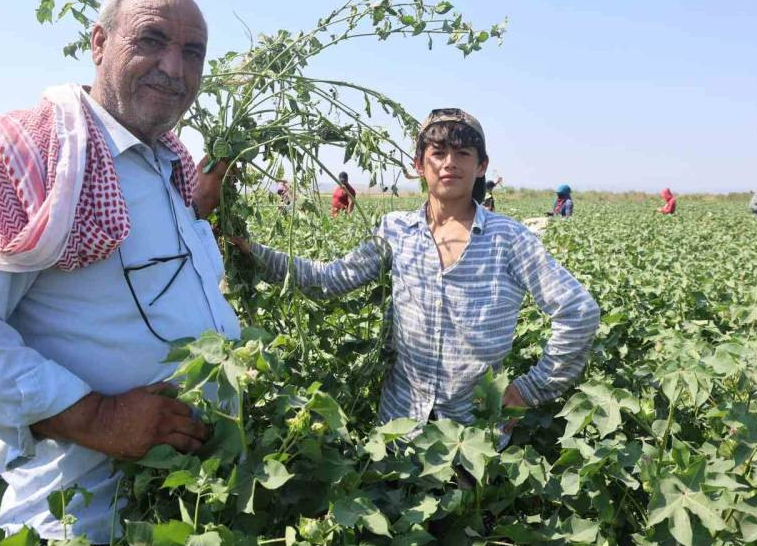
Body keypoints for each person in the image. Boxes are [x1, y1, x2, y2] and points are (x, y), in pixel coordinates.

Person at [0, 0, 238, 545]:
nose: (174, 69)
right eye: (150, 40)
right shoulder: (37, 154)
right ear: (99, 43)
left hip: (189, 510)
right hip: (83, 529)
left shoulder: (169, 164)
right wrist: (95, 417)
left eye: (192, 52)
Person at [237, 108, 599, 440]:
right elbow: (329, 279)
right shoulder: (396, 231)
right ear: (419, 164)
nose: (449, 164)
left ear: (482, 166)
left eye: (463, 154)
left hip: (473, 438)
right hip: (399, 429)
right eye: (438, 153)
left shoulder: (510, 239)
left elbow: (578, 312)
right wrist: (251, 252)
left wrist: (529, 390)